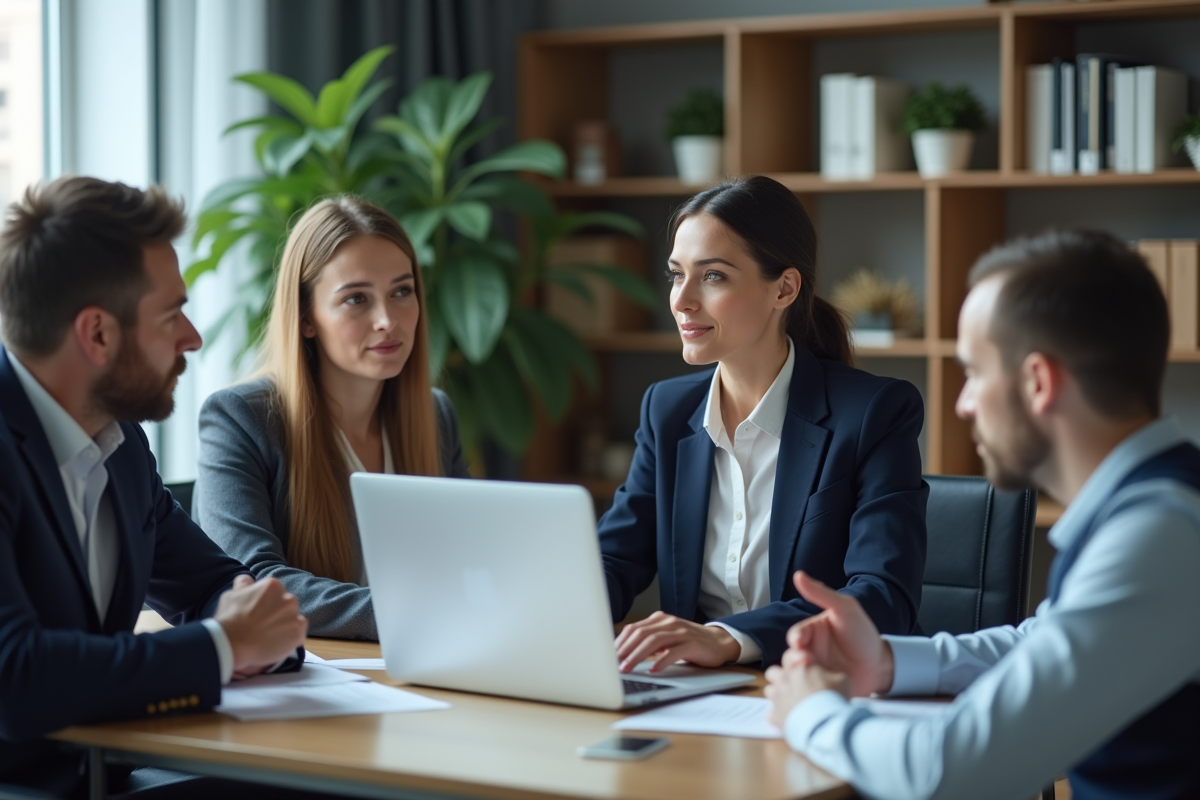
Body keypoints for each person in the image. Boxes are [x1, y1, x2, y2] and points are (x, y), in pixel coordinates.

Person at [766, 229, 1200, 800]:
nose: (961, 403)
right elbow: (1043, 643)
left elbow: (948, 772)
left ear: (1038, 382)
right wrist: (886, 659)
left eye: (973, 372)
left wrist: (811, 712)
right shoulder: (1152, 511)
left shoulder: (1159, 536)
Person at [0, 176, 308, 797]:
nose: (192, 338)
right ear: (98, 334)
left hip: (97, 770)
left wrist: (251, 622)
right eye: (171, 315)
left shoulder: (120, 445)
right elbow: (17, 681)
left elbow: (207, 581)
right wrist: (225, 644)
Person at [602, 175, 928, 672]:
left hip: (824, 689)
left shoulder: (875, 413)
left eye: (712, 276)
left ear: (784, 288)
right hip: (697, 699)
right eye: (676, 274)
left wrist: (728, 639)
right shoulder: (667, 412)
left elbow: (882, 598)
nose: (682, 300)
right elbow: (615, 560)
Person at [194, 196, 469, 641]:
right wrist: (417, 612)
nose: (387, 320)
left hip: (423, 668)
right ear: (306, 317)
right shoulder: (240, 418)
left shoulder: (434, 416)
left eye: (402, 292)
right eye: (356, 299)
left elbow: (469, 559)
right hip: (316, 680)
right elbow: (253, 586)